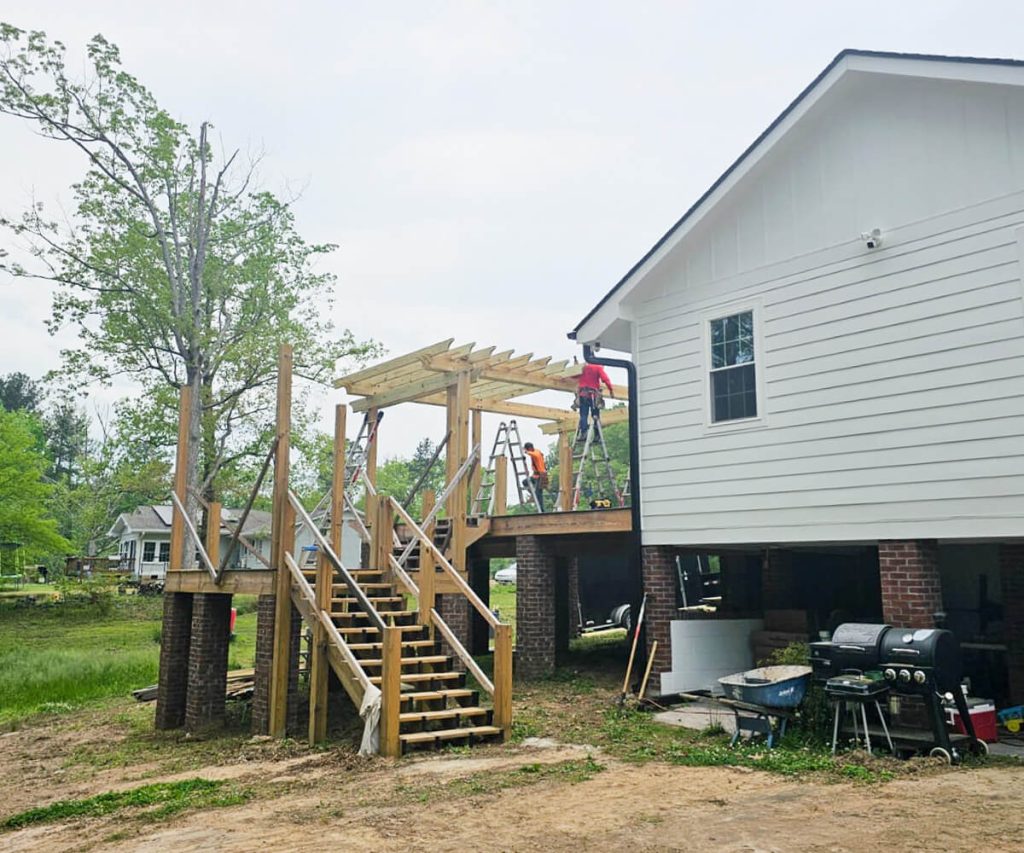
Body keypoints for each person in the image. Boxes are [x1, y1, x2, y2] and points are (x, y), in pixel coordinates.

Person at [575, 362, 614, 440]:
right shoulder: (598, 367)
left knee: (583, 415)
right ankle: (597, 436)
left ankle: (583, 434)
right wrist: (611, 390)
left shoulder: (582, 367)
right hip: (593, 396)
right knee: (595, 416)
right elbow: (605, 379)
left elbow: (573, 376)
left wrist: (575, 367)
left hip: (583, 395)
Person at [522, 442, 548, 512]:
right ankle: (533, 493)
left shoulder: (536, 453)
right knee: (525, 482)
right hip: (536, 475)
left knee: (539, 493)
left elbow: (535, 455)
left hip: (541, 475)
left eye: (528, 449)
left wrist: (526, 452)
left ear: (530, 448)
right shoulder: (535, 451)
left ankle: (541, 510)